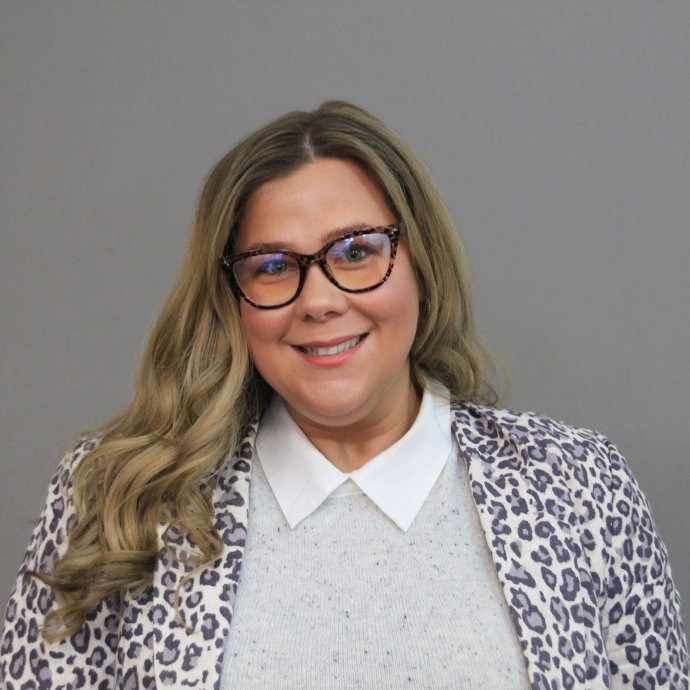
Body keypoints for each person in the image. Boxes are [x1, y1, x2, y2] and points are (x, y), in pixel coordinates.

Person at [1, 101, 687, 690]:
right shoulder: (122, 498)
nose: (320, 301)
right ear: (233, 298)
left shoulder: (577, 485)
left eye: (356, 251)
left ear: (421, 265)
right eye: (273, 266)